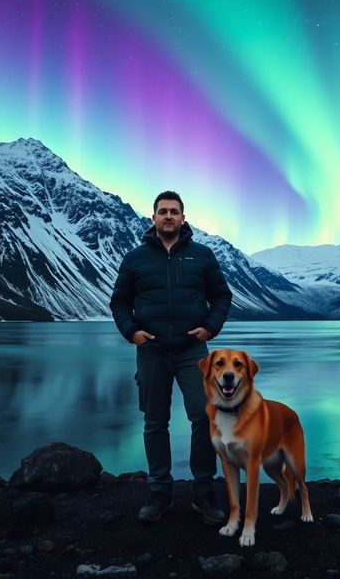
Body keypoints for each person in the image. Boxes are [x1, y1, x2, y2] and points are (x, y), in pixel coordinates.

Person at [109, 190, 233, 523]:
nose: (168, 216)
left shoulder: (202, 255)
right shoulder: (135, 258)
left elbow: (222, 296)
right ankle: (159, 492)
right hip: (151, 350)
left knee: (205, 417)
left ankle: (203, 493)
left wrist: (210, 328)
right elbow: (119, 302)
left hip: (193, 350)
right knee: (154, 422)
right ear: (152, 218)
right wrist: (131, 332)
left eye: (174, 211)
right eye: (162, 211)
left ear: (183, 218)